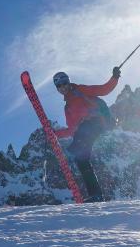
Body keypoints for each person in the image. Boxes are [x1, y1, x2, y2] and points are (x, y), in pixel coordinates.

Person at [52, 67, 121, 202]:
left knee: (79, 141)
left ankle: (96, 194)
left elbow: (103, 90)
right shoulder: (68, 108)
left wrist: (115, 77)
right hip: (85, 130)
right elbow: (72, 129)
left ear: (68, 82)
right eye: (59, 86)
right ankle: (96, 194)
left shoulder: (80, 90)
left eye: (64, 83)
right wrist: (55, 134)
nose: (62, 87)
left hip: (96, 122)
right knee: (81, 159)